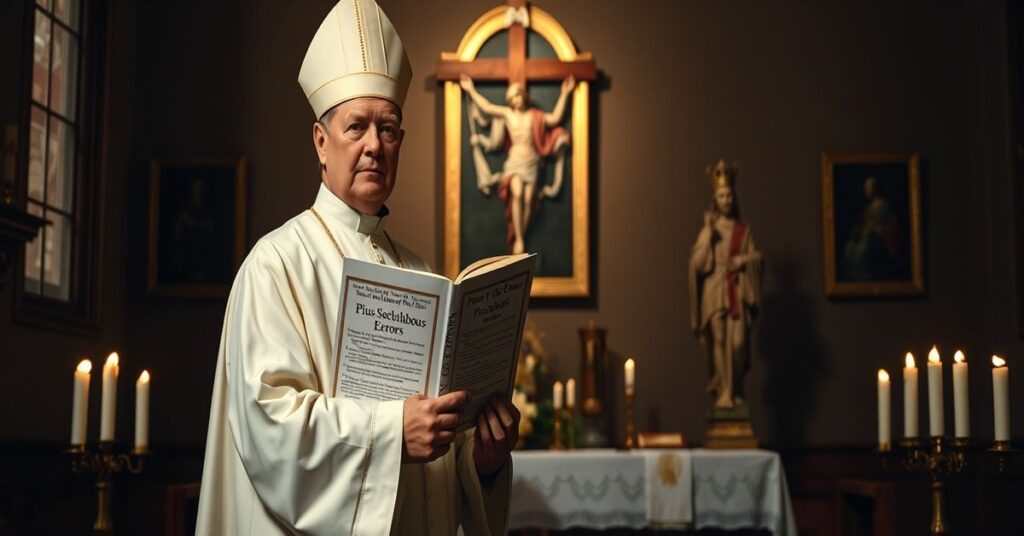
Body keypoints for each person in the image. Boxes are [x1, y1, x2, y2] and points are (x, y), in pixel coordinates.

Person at [196, 1, 519, 534]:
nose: (374, 145)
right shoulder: (275, 265)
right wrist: (393, 432)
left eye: (389, 129)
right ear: (321, 143)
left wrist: (480, 458)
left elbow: (439, 457)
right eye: (356, 127)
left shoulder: (423, 274)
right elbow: (271, 430)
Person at [459, 74, 575, 255]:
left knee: (529, 199)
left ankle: (520, 237)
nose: (516, 99)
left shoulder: (535, 116)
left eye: (519, 95)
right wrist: (471, 89)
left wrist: (565, 93)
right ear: (510, 101)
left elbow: (555, 118)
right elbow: (487, 107)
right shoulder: (507, 114)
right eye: (512, 97)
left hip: (532, 162)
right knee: (518, 193)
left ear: (524, 96)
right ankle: (520, 240)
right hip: (514, 163)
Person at [688, 160, 762, 409]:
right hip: (714, 288)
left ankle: (735, 386)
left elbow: (757, 257)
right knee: (718, 340)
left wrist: (743, 260)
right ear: (715, 199)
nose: (726, 200)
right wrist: (708, 234)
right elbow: (697, 264)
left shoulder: (744, 231)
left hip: (736, 289)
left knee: (739, 342)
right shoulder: (709, 230)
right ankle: (725, 392)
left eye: (729, 195)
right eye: (721, 195)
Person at [841, 176, 905, 281]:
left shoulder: (882, 205)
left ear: (875, 189)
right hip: (867, 237)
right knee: (849, 248)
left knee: (862, 251)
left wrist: (874, 230)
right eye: (866, 187)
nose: (866, 190)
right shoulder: (869, 206)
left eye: (868, 187)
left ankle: (863, 276)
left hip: (878, 240)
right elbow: (864, 224)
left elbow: (888, 227)